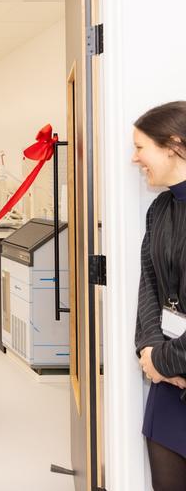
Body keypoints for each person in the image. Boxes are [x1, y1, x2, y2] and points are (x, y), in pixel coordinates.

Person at [132, 101, 186, 491]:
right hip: (168, 379)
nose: (135, 159)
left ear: (173, 145)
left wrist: (164, 360)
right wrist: (151, 352)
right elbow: (149, 282)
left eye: (140, 147)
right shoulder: (161, 208)